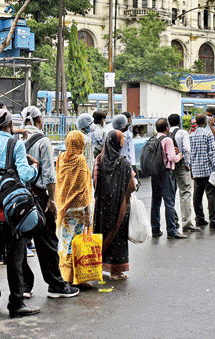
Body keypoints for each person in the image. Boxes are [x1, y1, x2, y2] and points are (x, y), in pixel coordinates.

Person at [0, 109, 40, 317]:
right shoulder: (16, 145)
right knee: (15, 254)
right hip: (11, 208)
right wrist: (35, 167)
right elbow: (25, 174)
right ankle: (16, 302)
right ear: (10, 125)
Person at [20, 107, 80, 299]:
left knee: (21, 242)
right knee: (47, 242)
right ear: (39, 119)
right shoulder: (43, 141)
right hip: (39, 196)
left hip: (20, 196)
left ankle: (24, 286)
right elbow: (48, 174)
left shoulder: (17, 139)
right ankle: (56, 284)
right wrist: (52, 199)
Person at [93, 130, 138, 280]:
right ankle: (116, 272)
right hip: (120, 206)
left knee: (101, 233)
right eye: (122, 139)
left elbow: (95, 182)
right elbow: (131, 186)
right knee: (118, 235)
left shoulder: (98, 159)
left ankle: (99, 267)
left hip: (101, 206)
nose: (123, 142)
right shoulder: (124, 162)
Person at [55, 130, 94, 284]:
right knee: (77, 242)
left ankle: (65, 277)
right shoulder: (80, 160)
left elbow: (60, 182)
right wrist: (87, 212)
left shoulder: (60, 158)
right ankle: (78, 278)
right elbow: (83, 187)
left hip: (63, 207)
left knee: (64, 241)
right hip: (78, 209)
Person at [190, 114, 215, 229]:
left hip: (196, 170)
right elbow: (212, 153)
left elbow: (190, 154)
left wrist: (192, 169)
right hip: (207, 170)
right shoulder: (208, 134)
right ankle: (214, 220)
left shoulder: (191, 135)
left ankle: (199, 218)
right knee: (211, 195)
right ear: (206, 122)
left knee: (197, 195)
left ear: (196, 122)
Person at [150, 118, 185, 239]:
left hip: (155, 173)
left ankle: (155, 229)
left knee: (156, 202)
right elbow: (171, 158)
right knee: (169, 202)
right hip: (166, 173)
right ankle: (171, 230)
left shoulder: (154, 139)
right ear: (166, 128)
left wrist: (172, 153)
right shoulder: (167, 139)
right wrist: (179, 155)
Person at [169, 114, 197, 232]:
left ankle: (173, 220)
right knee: (185, 191)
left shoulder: (166, 133)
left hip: (169, 165)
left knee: (170, 193)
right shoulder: (183, 133)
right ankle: (186, 222)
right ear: (179, 122)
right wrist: (187, 163)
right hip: (180, 163)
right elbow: (186, 149)